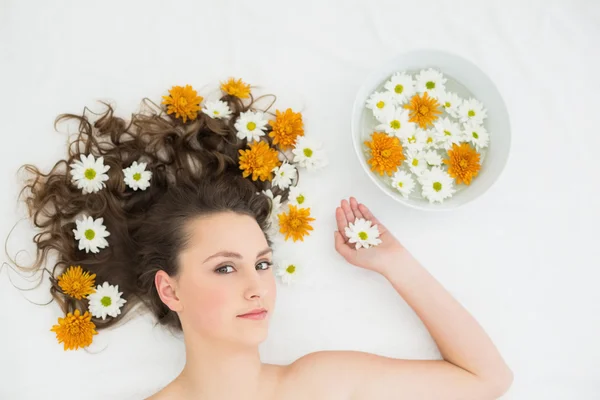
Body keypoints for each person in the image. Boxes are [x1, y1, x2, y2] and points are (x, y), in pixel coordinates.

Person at [12, 80, 512, 399]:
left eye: (263, 264)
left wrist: (396, 263)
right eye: (225, 268)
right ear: (170, 290)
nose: (258, 288)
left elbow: (487, 380)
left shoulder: (319, 385)